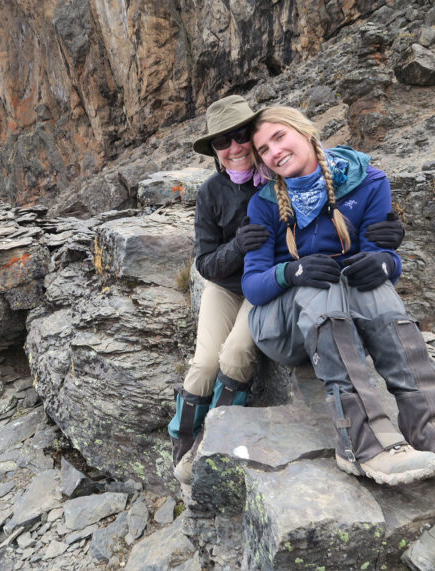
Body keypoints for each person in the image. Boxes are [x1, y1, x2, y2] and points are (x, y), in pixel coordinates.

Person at [241, 105, 435, 485]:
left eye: (279, 137)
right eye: (263, 149)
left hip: (345, 312)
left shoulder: (368, 181)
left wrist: (383, 265)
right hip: (282, 327)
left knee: (374, 287)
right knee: (322, 284)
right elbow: (253, 285)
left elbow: (386, 256)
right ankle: (363, 443)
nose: (274, 152)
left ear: (307, 132)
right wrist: (291, 270)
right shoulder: (263, 204)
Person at [166, 96, 407, 485]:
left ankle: (209, 445)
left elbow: (332, 222)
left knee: (236, 355)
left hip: (269, 289)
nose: (233, 148)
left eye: (241, 136)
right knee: (203, 365)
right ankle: (182, 439)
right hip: (228, 287)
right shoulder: (212, 193)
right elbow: (205, 263)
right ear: (214, 152)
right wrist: (239, 246)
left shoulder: (288, 177)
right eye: (221, 142)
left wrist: (390, 237)